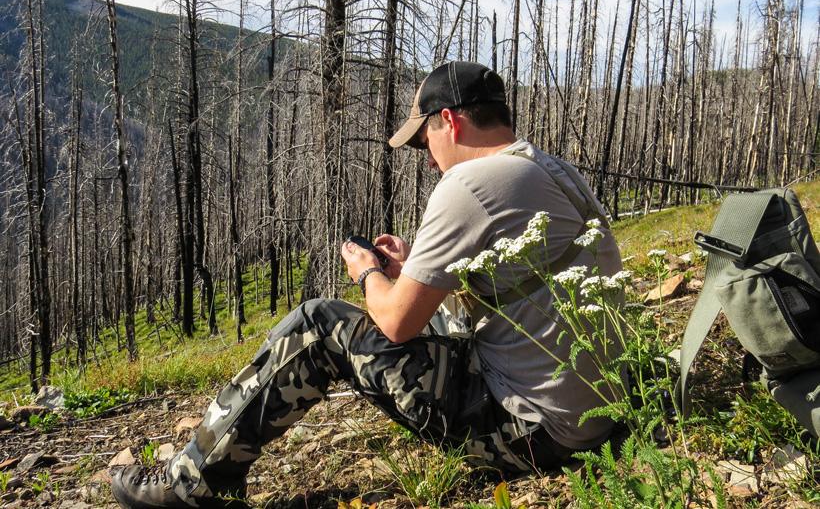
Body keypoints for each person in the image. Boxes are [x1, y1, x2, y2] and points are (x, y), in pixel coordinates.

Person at [111, 61, 623, 508]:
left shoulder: (468, 183)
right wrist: (413, 269)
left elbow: (396, 324)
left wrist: (368, 273)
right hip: (597, 414)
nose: (428, 159)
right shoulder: (551, 170)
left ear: (450, 121)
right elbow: (519, 283)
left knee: (317, 324)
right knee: (435, 312)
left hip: (533, 432)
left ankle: (192, 484)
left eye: (424, 141)